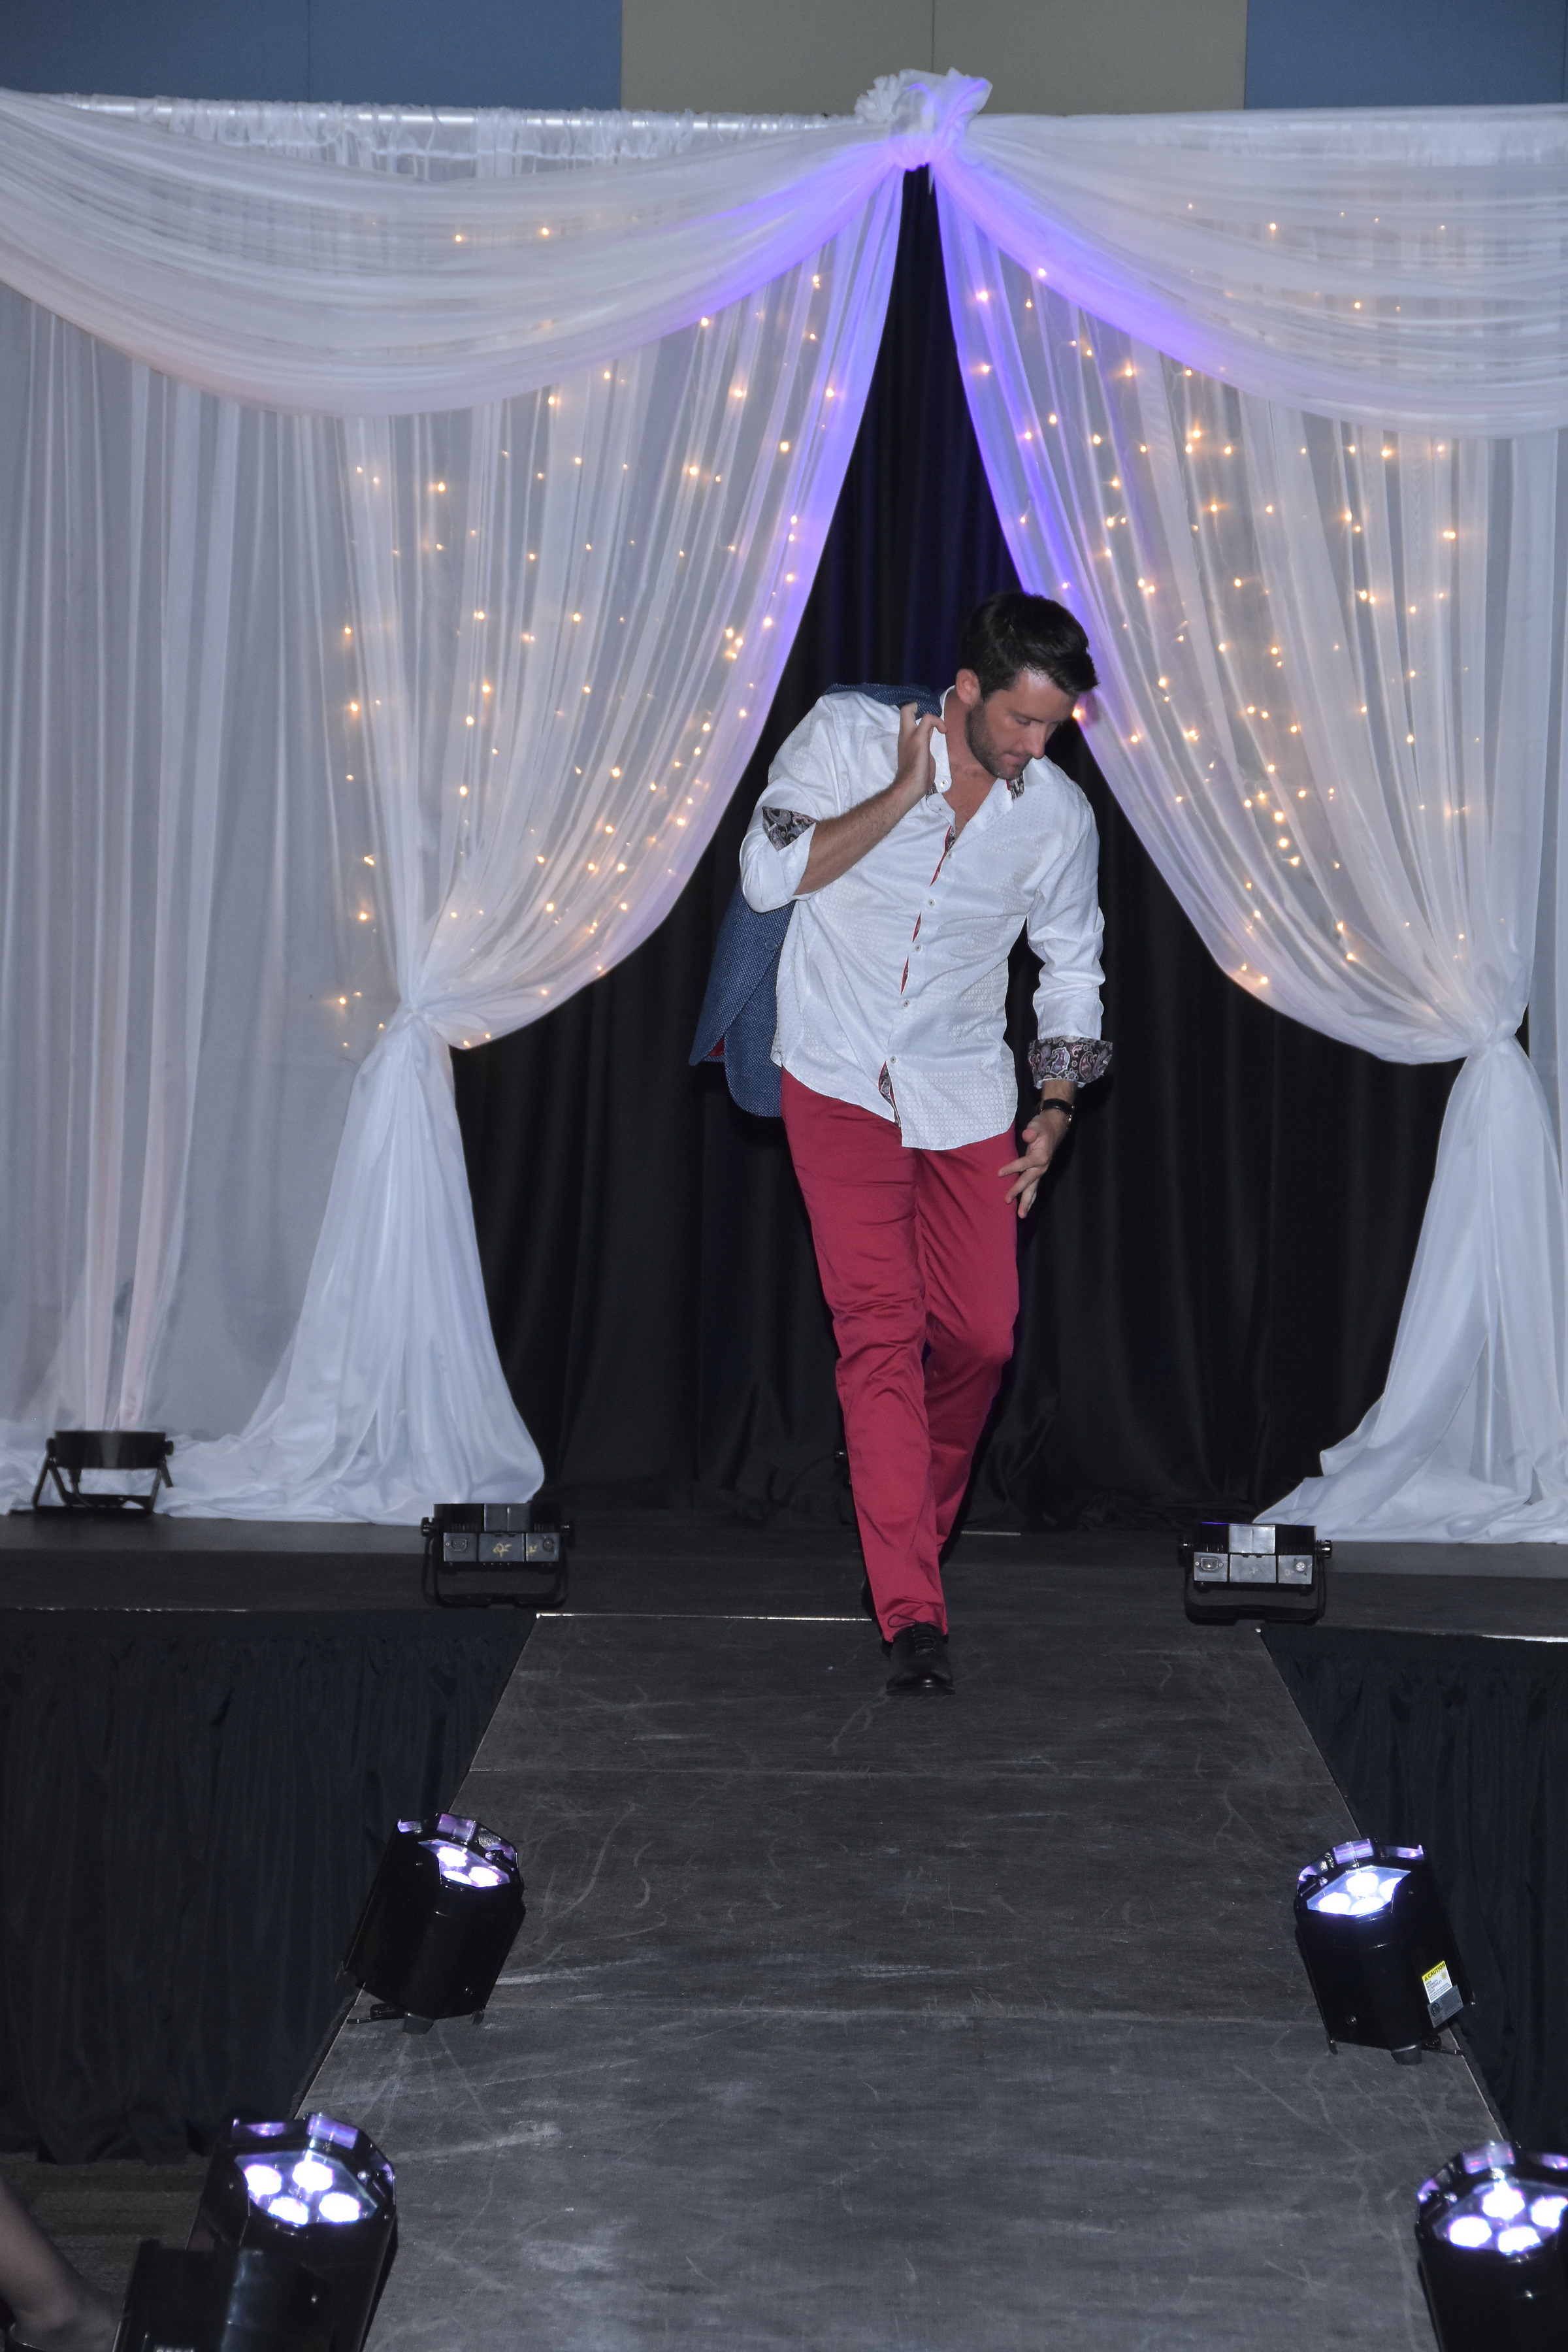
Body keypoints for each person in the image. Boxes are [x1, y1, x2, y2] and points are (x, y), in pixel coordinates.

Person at [738, 593, 1111, 1696]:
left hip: (963, 1091)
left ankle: (903, 1524)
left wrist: (1057, 1104)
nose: (1036, 746)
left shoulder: (1057, 817)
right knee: (881, 1333)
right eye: (1021, 721)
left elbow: (1072, 967)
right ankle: (910, 1610)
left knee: (984, 1338)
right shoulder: (846, 737)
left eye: (1053, 728)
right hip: (837, 1072)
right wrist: (903, 794)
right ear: (967, 690)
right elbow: (767, 873)